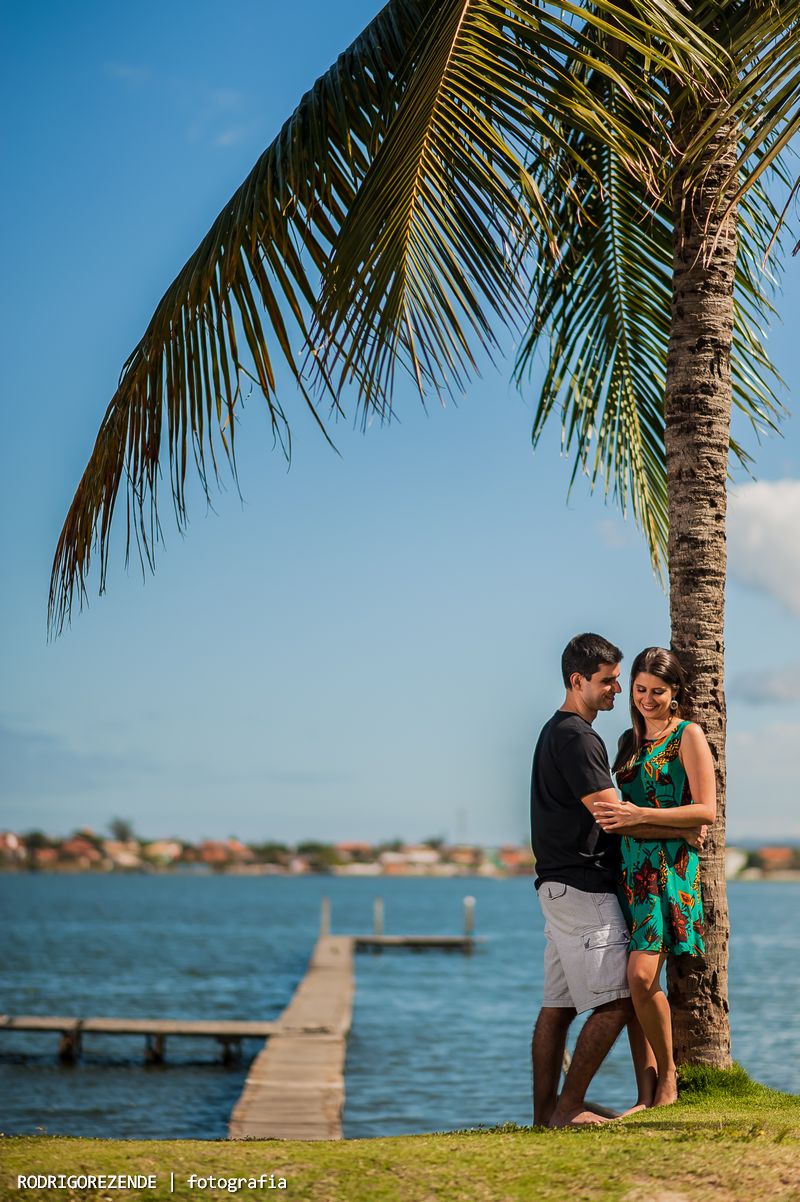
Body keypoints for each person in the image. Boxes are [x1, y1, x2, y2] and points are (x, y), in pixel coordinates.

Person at [530, 633, 703, 1126]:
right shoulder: (582, 737)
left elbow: (634, 815)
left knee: (559, 1007)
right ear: (577, 681)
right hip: (587, 884)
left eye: (620, 682)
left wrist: (661, 822)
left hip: (569, 884)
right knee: (621, 999)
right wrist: (683, 828)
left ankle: (546, 1115)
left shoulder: (557, 731)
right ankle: (568, 1109)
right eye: (610, 682)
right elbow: (614, 818)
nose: (619, 691)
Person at [594, 647, 716, 1109]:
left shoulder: (688, 735)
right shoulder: (628, 741)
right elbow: (616, 818)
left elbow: (706, 811)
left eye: (658, 691)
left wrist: (641, 815)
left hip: (668, 875)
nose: (647, 699)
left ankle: (668, 1080)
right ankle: (645, 1092)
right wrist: (665, 824)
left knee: (642, 976)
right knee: (635, 984)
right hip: (629, 873)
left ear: (675, 691)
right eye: (640, 689)